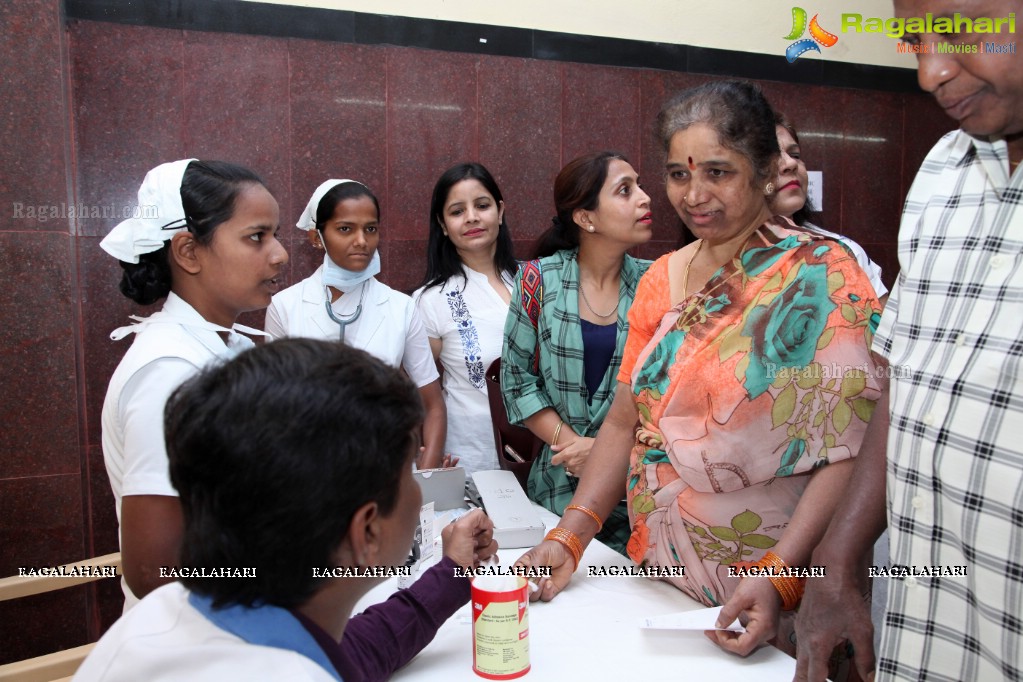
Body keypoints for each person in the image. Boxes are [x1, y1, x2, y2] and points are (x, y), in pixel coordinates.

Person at [514, 81, 884, 672]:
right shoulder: (661, 278)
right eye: (678, 175)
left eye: (718, 172)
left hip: (780, 573)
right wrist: (570, 537)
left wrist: (782, 576)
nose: (694, 195)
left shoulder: (824, 275)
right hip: (663, 562)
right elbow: (622, 422)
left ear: (766, 171)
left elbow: (851, 449)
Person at [795, 1, 1023, 680]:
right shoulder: (943, 170)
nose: (928, 71)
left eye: (957, 29)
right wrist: (840, 555)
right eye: (913, 39)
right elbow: (906, 378)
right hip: (933, 626)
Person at [75, 338, 498, 681]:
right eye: (408, 472)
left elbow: (350, 652)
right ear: (366, 531)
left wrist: (452, 575)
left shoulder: (164, 616)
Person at [99, 159, 288, 610]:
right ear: (188, 252)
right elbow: (153, 572)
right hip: (192, 644)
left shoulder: (228, 349)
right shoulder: (169, 372)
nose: (279, 253)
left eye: (275, 234)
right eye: (256, 236)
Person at [501, 151, 653, 555]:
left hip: (635, 495)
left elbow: (666, 394)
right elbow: (517, 384)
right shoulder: (537, 279)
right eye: (625, 190)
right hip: (555, 485)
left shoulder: (658, 284)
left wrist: (604, 456)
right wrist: (575, 450)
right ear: (586, 218)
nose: (645, 197)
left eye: (640, 185)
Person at [265, 180, 446, 469]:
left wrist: (427, 476)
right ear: (316, 238)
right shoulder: (285, 307)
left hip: (387, 472)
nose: (362, 241)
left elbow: (432, 404)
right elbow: (273, 407)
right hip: (308, 473)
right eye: (345, 229)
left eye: (370, 229)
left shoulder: (401, 307)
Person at [414, 162, 519, 475]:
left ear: (500, 212)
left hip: (547, 454)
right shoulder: (430, 300)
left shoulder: (535, 281)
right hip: (471, 460)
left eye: (482, 205)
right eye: (457, 211)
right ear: (443, 224)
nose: (472, 217)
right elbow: (417, 394)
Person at [769, 112, 889, 300]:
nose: (791, 163)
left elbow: (882, 325)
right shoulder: (714, 256)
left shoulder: (843, 252)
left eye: (795, 154)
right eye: (771, 156)